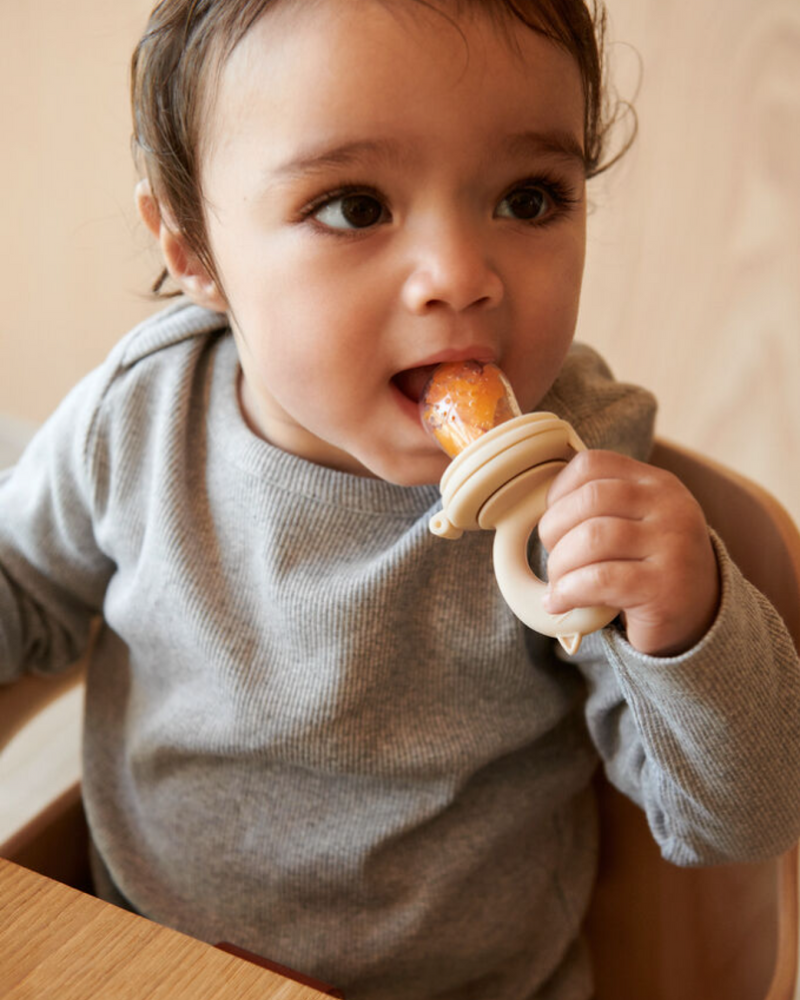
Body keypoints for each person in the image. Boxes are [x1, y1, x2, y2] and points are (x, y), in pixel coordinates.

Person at [2, 1, 799, 997]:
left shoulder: (576, 481)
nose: (460, 278)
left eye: (528, 198)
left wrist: (686, 627)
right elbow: (18, 596)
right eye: (354, 207)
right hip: (146, 958)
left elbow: (744, 817)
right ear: (191, 243)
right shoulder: (140, 418)